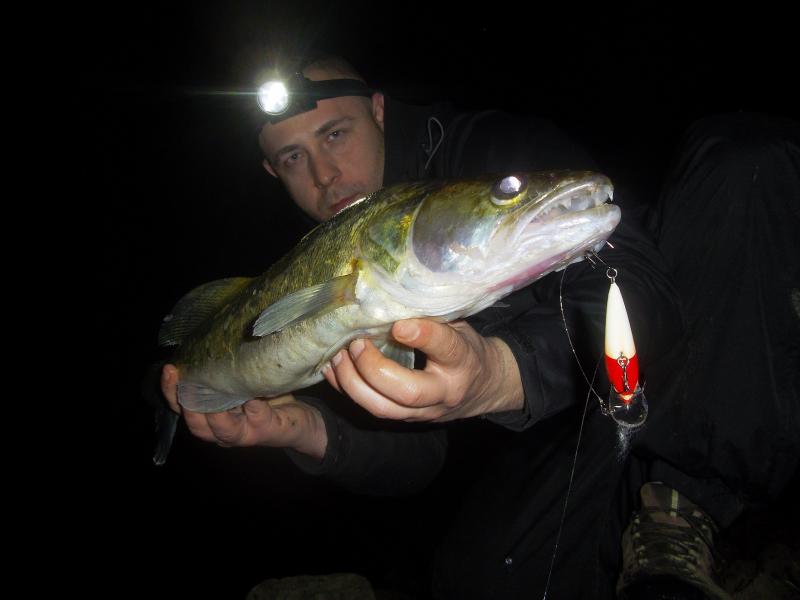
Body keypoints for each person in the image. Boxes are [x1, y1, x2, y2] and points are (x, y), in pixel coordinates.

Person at [159, 55, 800, 599]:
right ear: (272, 172)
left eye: (335, 133)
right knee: (474, 578)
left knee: (742, 157)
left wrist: (500, 373)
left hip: (691, 380)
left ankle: (694, 507)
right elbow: (420, 457)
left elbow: (641, 284)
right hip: (585, 434)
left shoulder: (484, 150)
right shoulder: (328, 254)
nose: (324, 173)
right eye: (293, 157)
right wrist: (299, 429)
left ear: (378, 110)